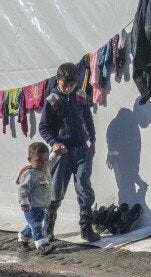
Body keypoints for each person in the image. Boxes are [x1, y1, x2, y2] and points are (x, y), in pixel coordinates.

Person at [39, 63, 101, 242]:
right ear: (58, 80)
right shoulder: (52, 100)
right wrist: (53, 143)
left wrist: (93, 141)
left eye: (72, 85)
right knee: (56, 190)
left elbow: (88, 119)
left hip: (82, 150)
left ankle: (86, 228)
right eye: (65, 85)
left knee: (84, 187)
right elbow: (43, 127)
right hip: (62, 153)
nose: (68, 88)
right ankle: (48, 229)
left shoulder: (81, 96)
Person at [16, 142, 56, 255]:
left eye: (45, 160)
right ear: (30, 159)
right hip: (31, 206)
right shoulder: (30, 174)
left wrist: (56, 154)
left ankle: (22, 240)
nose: (43, 163)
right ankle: (42, 245)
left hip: (42, 205)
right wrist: (24, 201)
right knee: (37, 225)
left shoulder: (45, 167)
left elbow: (52, 161)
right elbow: (23, 190)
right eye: (38, 160)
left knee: (32, 224)